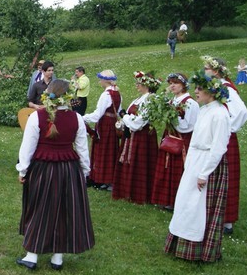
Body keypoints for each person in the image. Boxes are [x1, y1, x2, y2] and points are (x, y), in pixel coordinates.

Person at [15, 79, 94, 271]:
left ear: (47, 94)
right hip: (68, 169)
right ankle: (57, 258)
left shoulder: (37, 117)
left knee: (39, 208)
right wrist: (84, 172)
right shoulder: (76, 118)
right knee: (64, 211)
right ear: (69, 96)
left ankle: (32, 256)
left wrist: (23, 169)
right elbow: (83, 149)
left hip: (43, 168)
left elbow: (28, 147)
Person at [165, 70, 230, 262]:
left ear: (211, 91)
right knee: (186, 202)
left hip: (208, 164)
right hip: (195, 161)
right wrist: (190, 165)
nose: (196, 92)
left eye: (200, 89)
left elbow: (218, 147)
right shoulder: (204, 110)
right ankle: (181, 245)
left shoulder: (219, 114)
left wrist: (204, 173)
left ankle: (200, 250)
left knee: (199, 206)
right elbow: (194, 141)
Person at [203, 56, 247, 235]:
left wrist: (226, 128)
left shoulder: (226, 88)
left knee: (225, 177)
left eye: (206, 68)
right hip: (215, 137)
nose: (204, 70)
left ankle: (226, 221)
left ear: (215, 70)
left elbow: (242, 113)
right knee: (214, 175)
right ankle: (213, 216)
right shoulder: (215, 87)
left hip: (225, 139)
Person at [150, 73, 200, 210]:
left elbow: (187, 126)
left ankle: (179, 202)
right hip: (170, 137)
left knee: (179, 170)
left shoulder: (190, 103)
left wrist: (170, 117)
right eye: (170, 83)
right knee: (167, 168)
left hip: (181, 140)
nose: (172, 86)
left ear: (183, 85)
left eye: (175, 83)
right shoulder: (172, 101)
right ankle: (166, 199)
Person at [112, 71, 160, 204]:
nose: (136, 85)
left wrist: (125, 116)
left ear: (146, 84)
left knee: (140, 163)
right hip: (132, 135)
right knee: (129, 162)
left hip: (143, 135)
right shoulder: (139, 99)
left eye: (139, 83)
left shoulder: (151, 99)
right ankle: (127, 192)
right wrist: (126, 118)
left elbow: (138, 123)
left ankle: (140, 195)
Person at [82, 70, 122, 190]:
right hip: (113, 124)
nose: (99, 81)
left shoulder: (106, 95)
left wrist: (82, 117)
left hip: (105, 125)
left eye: (100, 79)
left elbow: (97, 115)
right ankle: (109, 180)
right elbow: (119, 110)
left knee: (103, 150)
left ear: (105, 80)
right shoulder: (117, 93)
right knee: (111, 150)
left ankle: (103, 179)